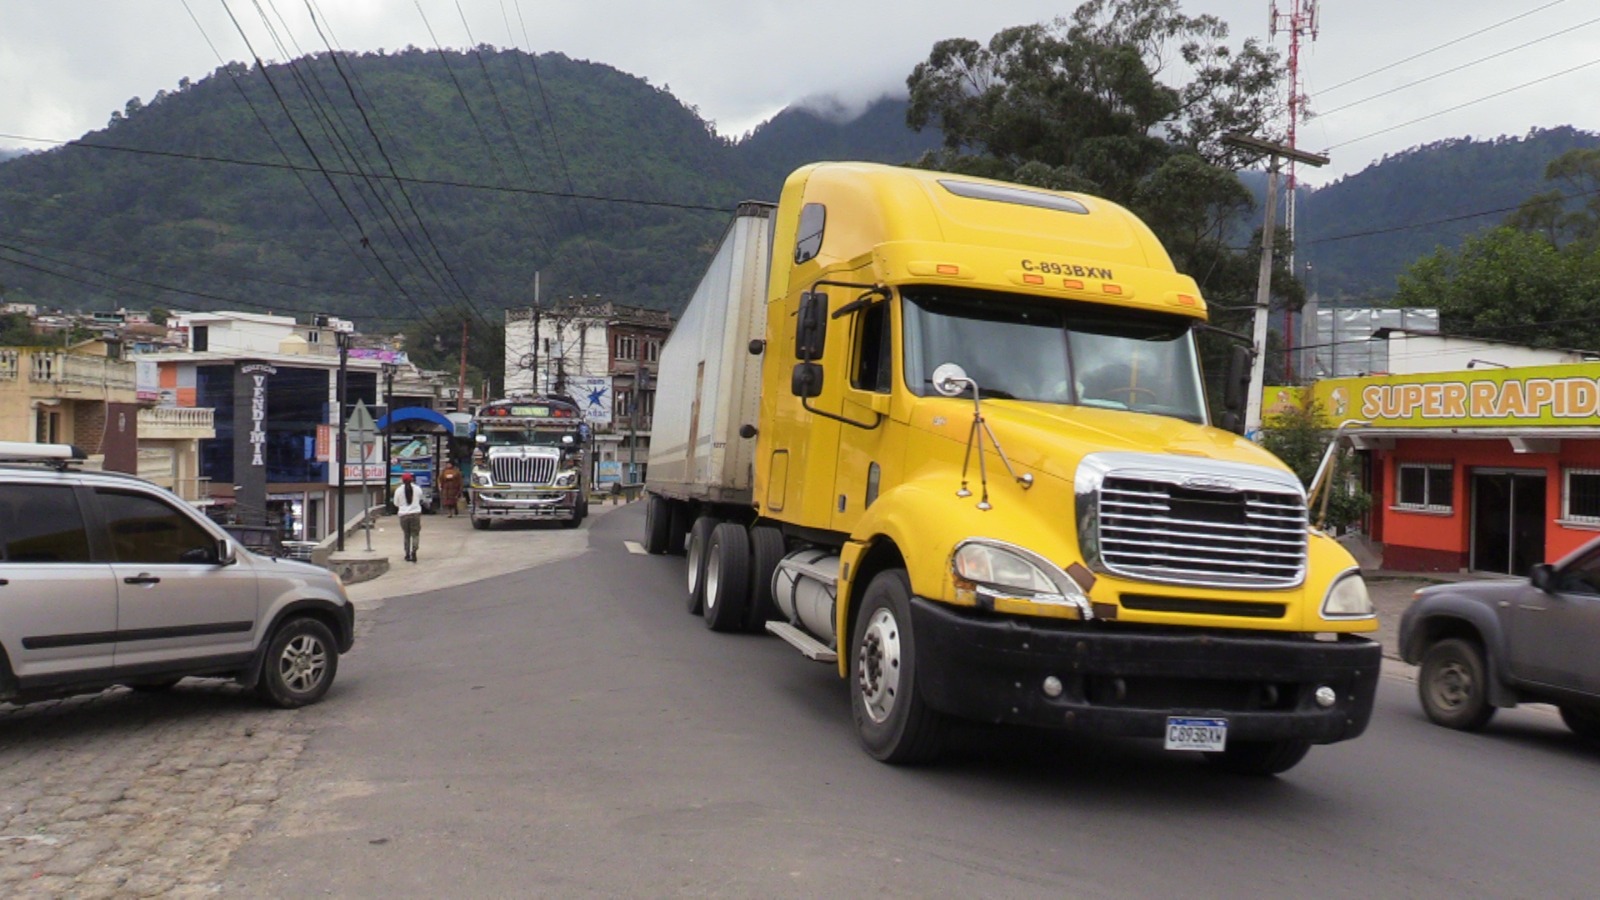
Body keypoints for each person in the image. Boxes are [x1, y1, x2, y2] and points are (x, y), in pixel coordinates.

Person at [393, 472, 424, 562]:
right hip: (415, 514)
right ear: (412, 479)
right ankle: (414, 551)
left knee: (406, 535)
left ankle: (407, 554)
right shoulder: (417, 489)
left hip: (403, 515)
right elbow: (420, 499)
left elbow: (396, 503)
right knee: (415, 534)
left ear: (402, 480)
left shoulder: (398, 490)